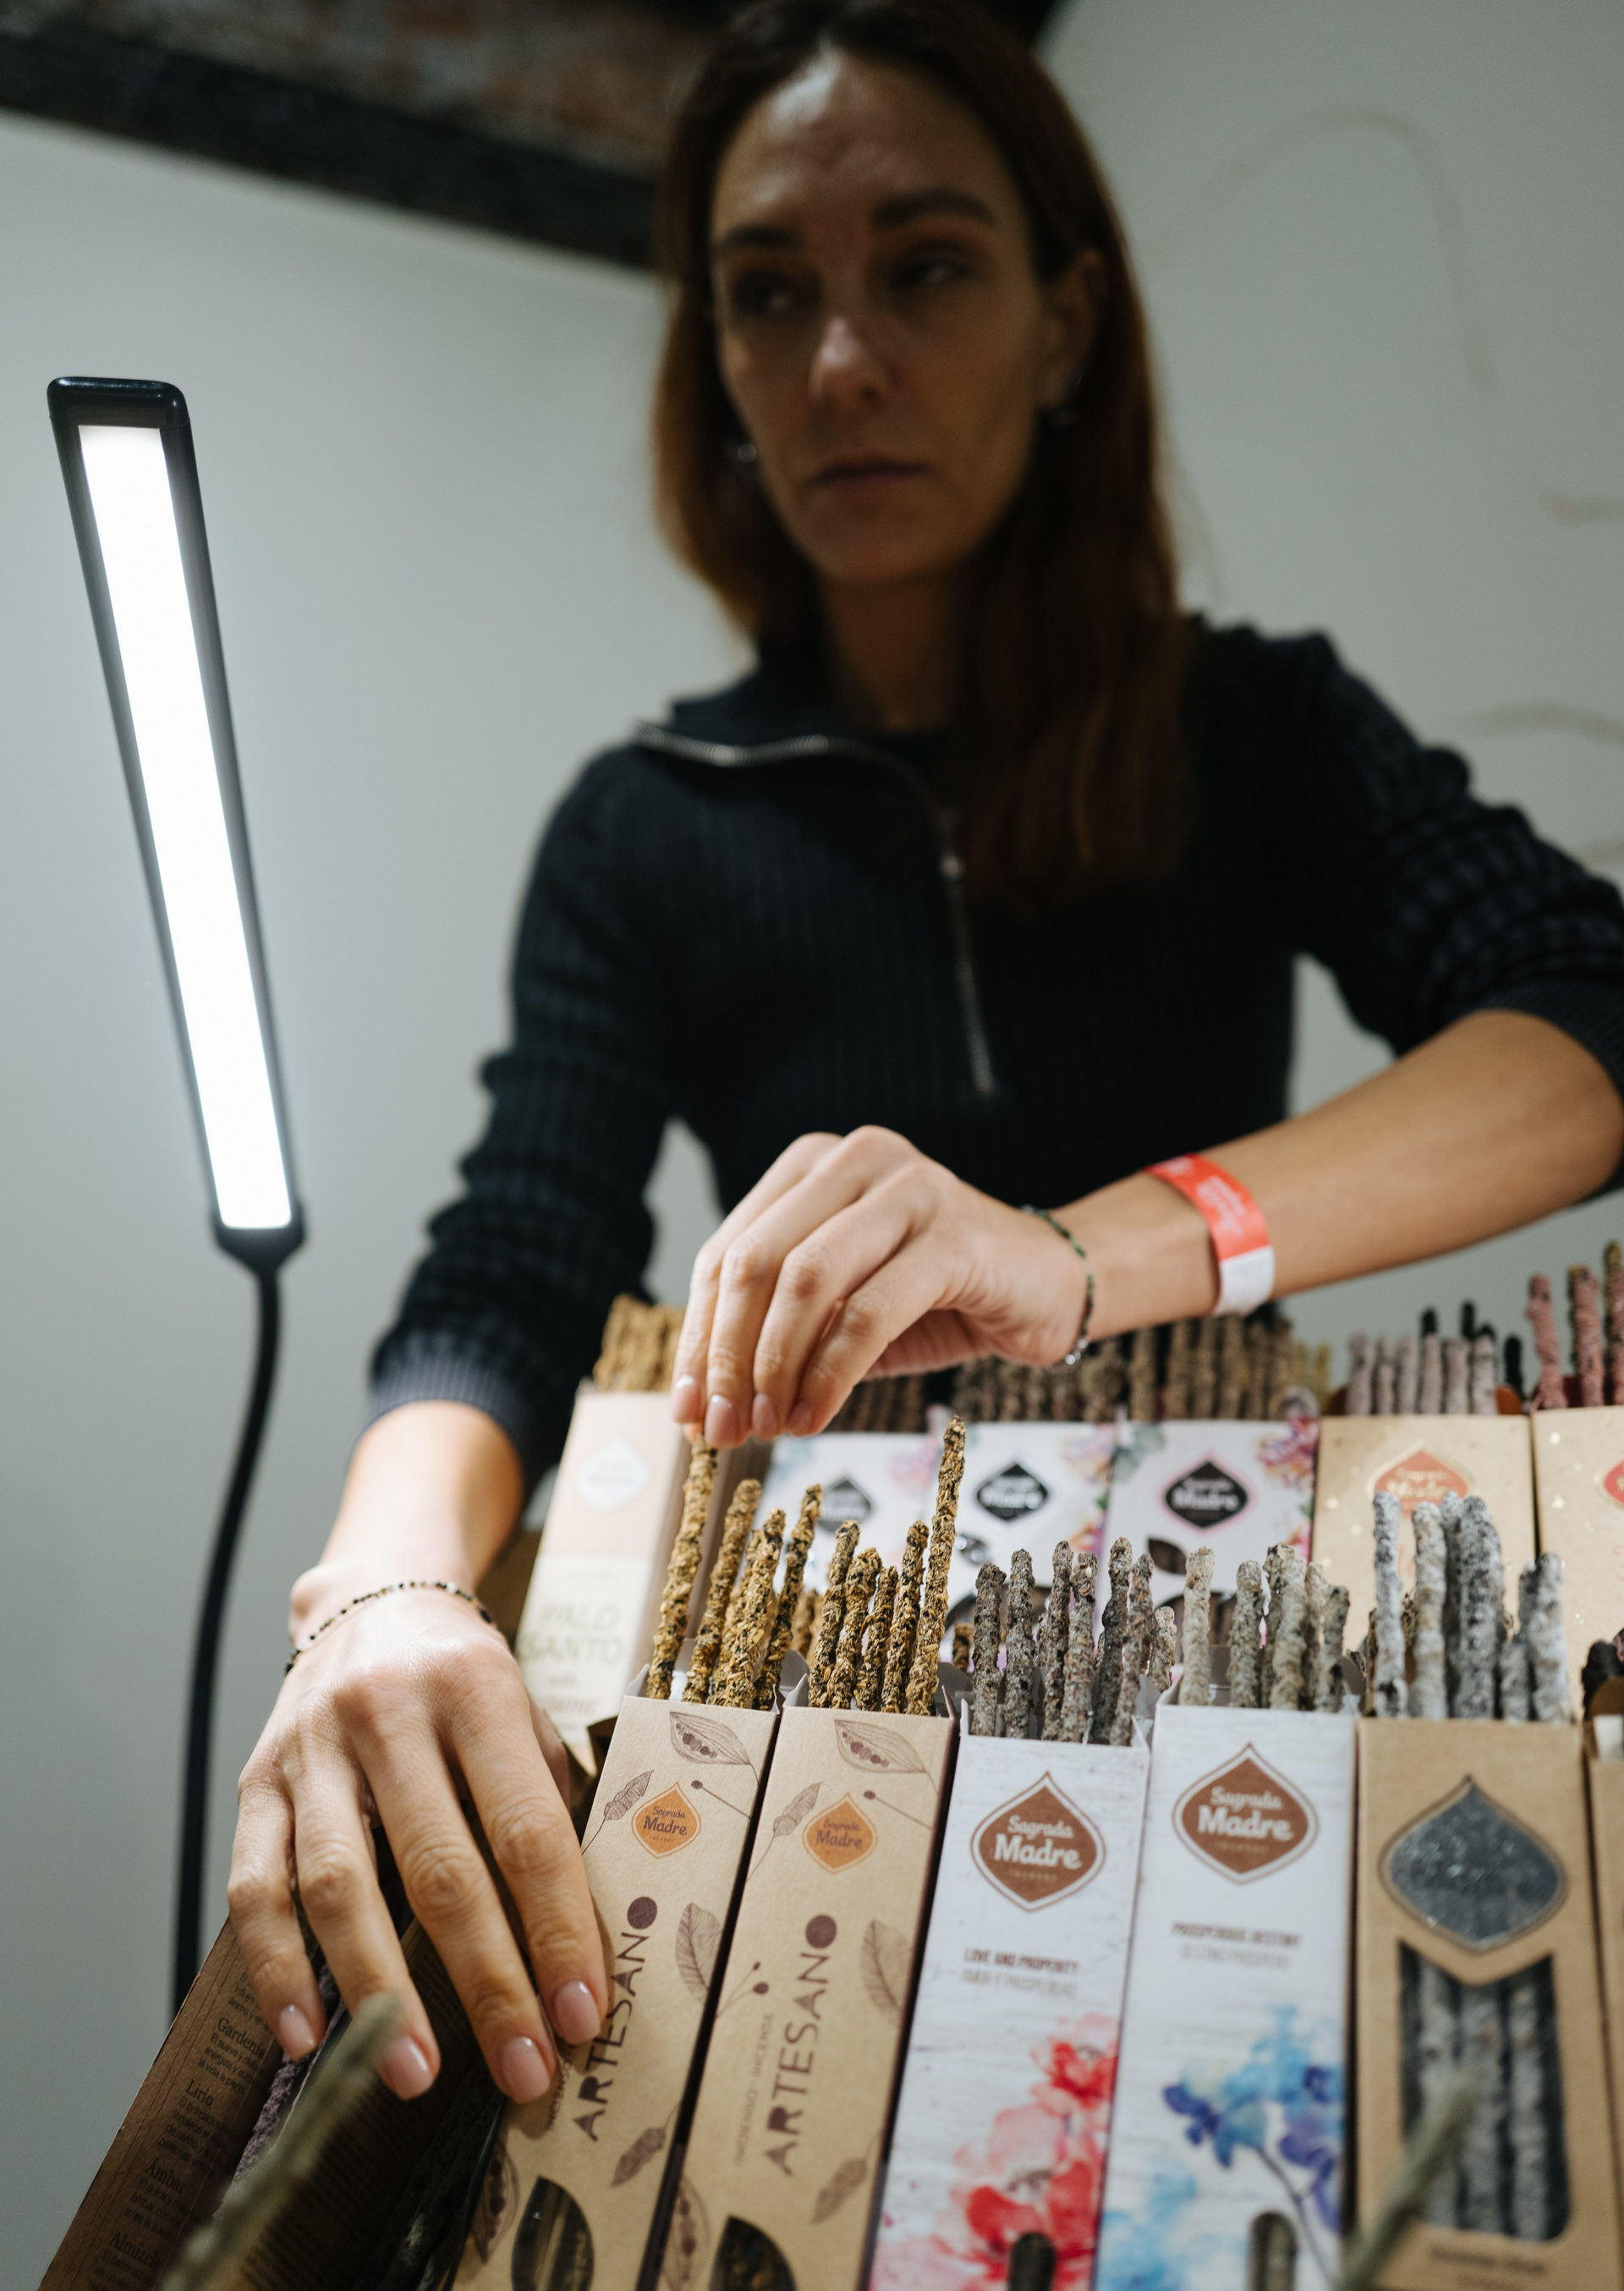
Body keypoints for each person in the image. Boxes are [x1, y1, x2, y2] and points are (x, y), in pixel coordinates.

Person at [228, 0, 1624, 2101]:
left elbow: (1584, 1014)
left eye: (928, 267)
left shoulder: (1254, 727)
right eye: (767, 293)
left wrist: (1080, 1254)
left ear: (1070, 324)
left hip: (1222, 1620)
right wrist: (380, 1589)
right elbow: (513, 1270)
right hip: (813, 1662)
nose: (842, 364)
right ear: (713, 361)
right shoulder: (644, 824)